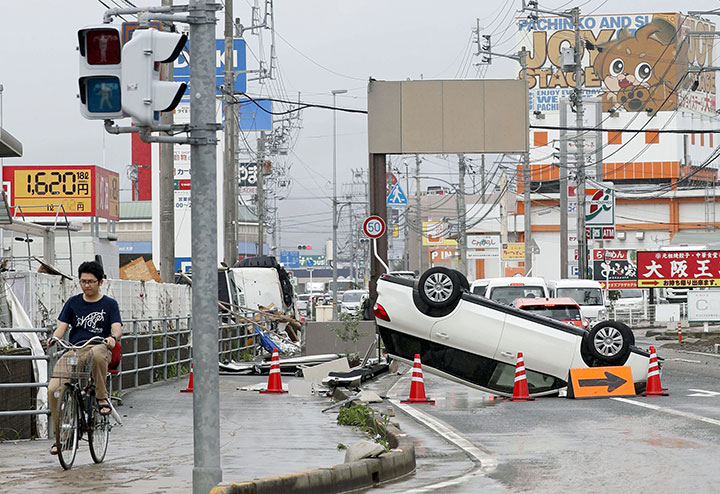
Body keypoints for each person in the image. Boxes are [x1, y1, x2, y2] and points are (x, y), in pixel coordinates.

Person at [47, 261, 122, 455]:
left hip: (99, 346)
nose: (86, 285)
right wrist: (54, 338)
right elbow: (62, 327)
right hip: (75, 349)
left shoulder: (109, 304)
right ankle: (62, 437)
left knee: (97, 353)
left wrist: (112, 338)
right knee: (54, 389)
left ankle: (101, 397)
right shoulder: (73, 302)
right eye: (83, 281)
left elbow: (117, 327)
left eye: (90, 281)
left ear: (100, 282)